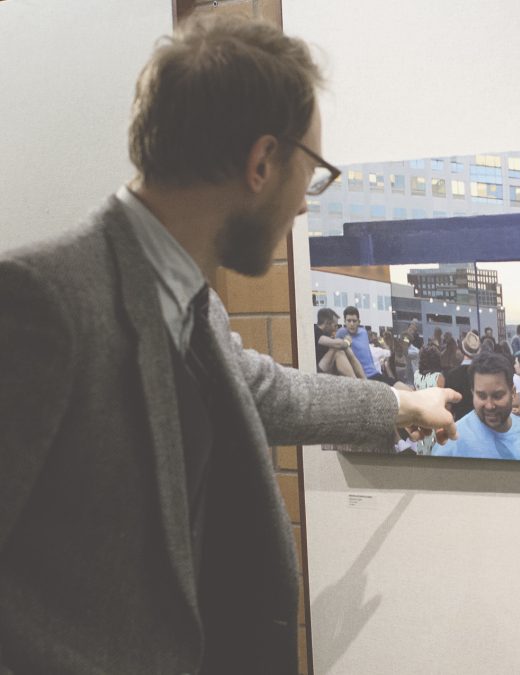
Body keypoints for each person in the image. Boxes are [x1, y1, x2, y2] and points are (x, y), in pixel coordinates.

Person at [0, 16, 459, 675]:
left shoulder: (193, 303)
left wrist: (401, 404)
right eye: (314, 172)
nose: (305, 203)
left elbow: (266, 390)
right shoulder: (41, 303)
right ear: (262, 162)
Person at [434, 352, 520, 460]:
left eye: (497, 396)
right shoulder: (452, 442)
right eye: (482, 396)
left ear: (513, 392)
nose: (489, 406)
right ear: (473, 393)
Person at [314, 307, 365, 378]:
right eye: (335, 326)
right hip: (318, 370)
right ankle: (355, 380)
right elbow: (338, 344)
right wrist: (347, 342)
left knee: (343, 351)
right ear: (327, 323)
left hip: (325, 366)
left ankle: (363, 379)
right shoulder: (316, 331)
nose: (336, 329)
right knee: (337, 350)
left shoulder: (325, 334)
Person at [414, 345, 446, 454]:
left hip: (421, 419)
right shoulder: (439, 377)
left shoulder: (416, 375)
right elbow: (441, 403)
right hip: (434, 420)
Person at [445, 330, 481, 420]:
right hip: (481, 422)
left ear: (462, 350)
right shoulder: (483, 373)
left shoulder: (452, 374)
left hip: (459, 422)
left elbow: (448, 405)